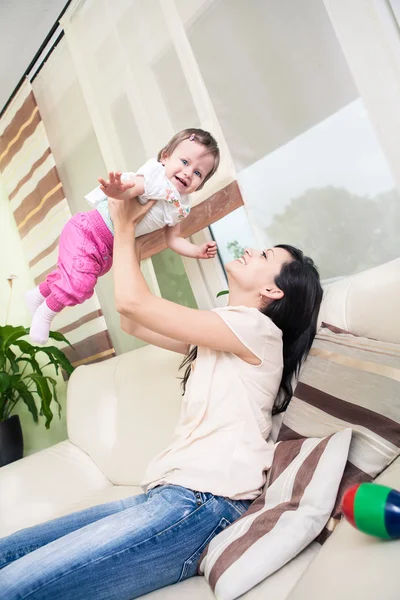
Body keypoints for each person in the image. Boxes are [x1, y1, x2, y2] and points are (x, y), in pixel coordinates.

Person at [0, 196, 323, 600]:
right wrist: (131, 234)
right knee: (7, 553)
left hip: (204, 505)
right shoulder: (218, 335)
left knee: (12, 586)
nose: (252, 250)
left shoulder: (258, 331)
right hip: (171, 494)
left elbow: (131, 303)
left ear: (272, 289)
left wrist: (122, 223)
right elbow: (131, 319)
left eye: (266, 254)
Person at [25, 128, 220, 345]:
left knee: (72, 277)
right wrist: (116, 191)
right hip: (88, 231)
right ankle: (46, 313)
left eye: (198, 173)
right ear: (165, 156)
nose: (188, 172)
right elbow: (130, 191)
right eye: (184, 162)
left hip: (107, 250)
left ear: (200, 185)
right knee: (80, 283)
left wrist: (196, 250)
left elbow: (172, 238)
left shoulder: (181, 207)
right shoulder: (154, 177)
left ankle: (37, 296)